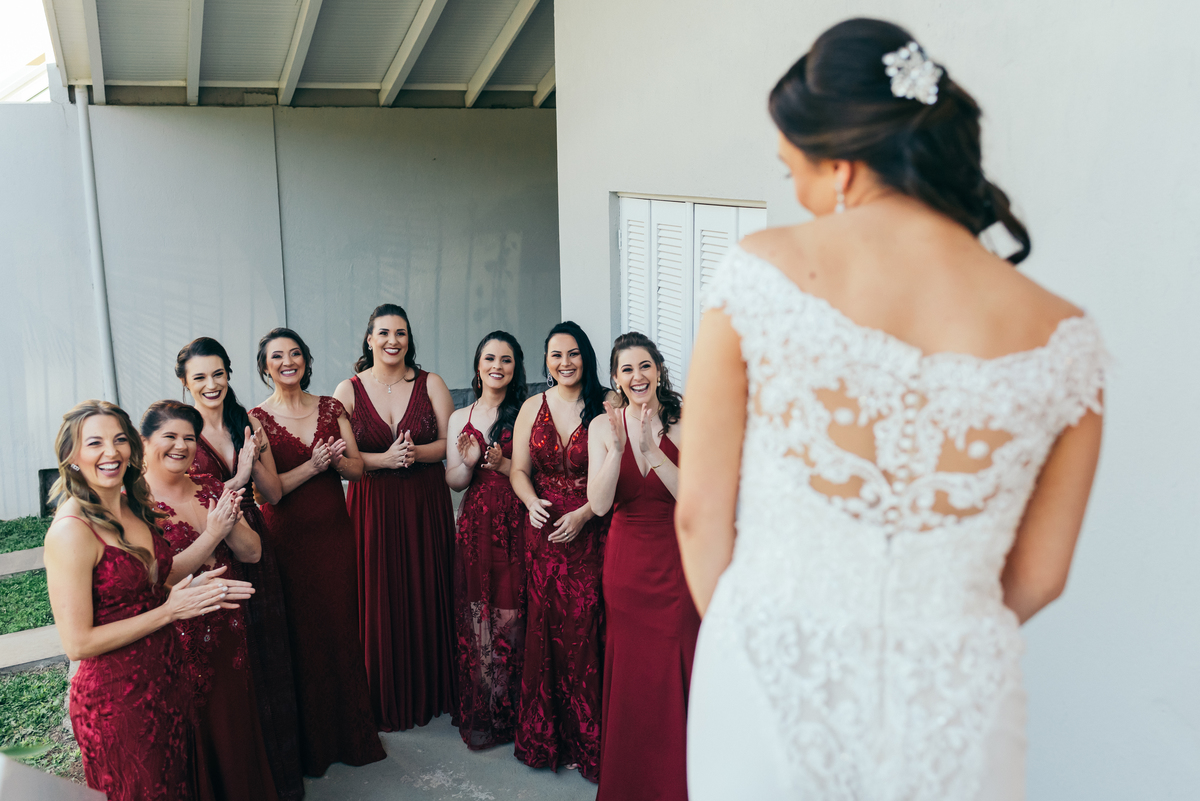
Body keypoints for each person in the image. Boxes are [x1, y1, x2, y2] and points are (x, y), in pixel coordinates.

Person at [677, 19, 1106, 800]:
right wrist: (933, 635)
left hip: (770, 673)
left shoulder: (760, 274)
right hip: (957, 699)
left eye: (793, 171)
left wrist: (753, 642)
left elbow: (698, 515)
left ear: (841, 165)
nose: (797, 195)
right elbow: (1042, 575)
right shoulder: (1067, 338)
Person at [43, 400, 254, 801]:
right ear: (71, 456)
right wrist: (169, 611)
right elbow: (78, 643)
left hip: (168, 677)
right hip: (116, 699)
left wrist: (197, 586)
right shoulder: (71, 531)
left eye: (119, 439)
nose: (111, 452)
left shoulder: (131, 505)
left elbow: (157, 576)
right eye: (95, 443)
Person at [250, 327, 385, 776]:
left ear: (306, 360)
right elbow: (268, 493)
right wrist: (314, 465)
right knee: (300, 635)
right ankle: (312, 744)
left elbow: (358, 470)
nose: (287, 362)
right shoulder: (256, 419)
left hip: (334, 536)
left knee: (340, 626)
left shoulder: (331, 407)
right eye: (277, 356)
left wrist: (339, 462)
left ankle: (352, 734)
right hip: (288, 541)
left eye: (295, 354)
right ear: (265, 367)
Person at [177, 337, 305, 800]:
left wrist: (256, 461)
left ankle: (280, 772)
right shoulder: (181, 431)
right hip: (210, 548)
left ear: (229, 374)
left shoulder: (246, 421)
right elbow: (181, 495)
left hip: (253, 540)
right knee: (233, 662)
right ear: (185, 383)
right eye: (200, 377)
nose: (211, 384)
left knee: (267, 649)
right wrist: (237, 477)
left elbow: (272, 493)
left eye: (218, 374)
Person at [141, 400, 279, 801]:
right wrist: (213, 533)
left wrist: (227, 524)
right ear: (145, 441)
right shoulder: (135, 502)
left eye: (189, 438)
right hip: (177, 636)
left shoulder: (211, 486)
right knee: (193, 734)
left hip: (229, 630)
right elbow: (161, 576)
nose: (181, 446)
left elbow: (252, 553)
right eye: (169, 436)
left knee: (233, 725)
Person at [334, 304, 457, 732]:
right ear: (369, 339)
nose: (393, 340)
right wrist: (384, 460)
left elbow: (449, 444)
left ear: (409, 339)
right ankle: (384, 693)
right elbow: (345, 459)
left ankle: (432, 689)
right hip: (373, 504)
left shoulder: (431, 383)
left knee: (426, 587)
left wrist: (416, 453)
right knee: (379, 593)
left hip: (424, 502)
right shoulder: (347, 391)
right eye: (384, 332)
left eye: (401, 333)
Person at [588, 332, 696, 801]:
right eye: (627, 369)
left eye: (645, 366)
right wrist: (617, 450)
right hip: (626, 564)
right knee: (633, 673)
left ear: (658, 370)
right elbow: (598, 504)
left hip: (676, 560)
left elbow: (694, 498)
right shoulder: (601, 426)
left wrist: (653, 452)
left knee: (675, 664)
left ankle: (679, 782)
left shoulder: (684, 420)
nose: (637, 376)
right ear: (616, 378)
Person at [511, 321, 610, 782]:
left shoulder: (608, 403)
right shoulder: (533, 406)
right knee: (547, 628)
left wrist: (585, 515)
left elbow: (620, 473)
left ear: (585, 357)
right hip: (544, 532)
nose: (565, 363)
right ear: (547, 360)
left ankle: (589, 738)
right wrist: (531, 502)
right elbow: (518, 470)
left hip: (592, 530)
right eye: (556, 355)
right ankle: (550, 736)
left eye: (573, 353)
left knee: (587, 627)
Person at [444, 331, 529, 749]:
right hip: (475, 523)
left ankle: (511, 710)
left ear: (516, 368)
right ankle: (484, 707)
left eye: (506, 359)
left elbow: (534, 473)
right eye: (490, 358)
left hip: (515, 521)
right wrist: (470, 462)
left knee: (512, 613)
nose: (498, 366)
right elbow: (455, 481)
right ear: (478, 365)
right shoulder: (460, 417)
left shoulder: (527, 411)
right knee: (478, 612)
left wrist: (502, 464)